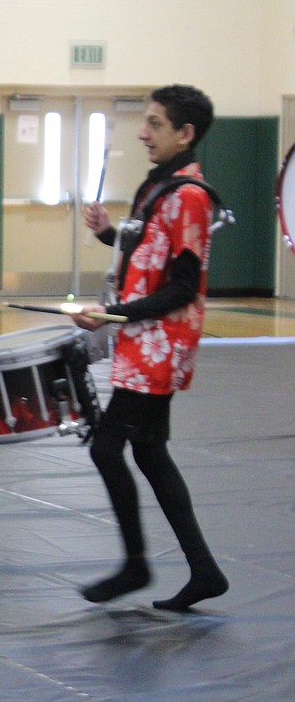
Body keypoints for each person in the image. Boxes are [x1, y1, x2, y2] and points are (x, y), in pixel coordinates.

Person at [70, 84, 229, 611]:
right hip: (145, 336)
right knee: (150, 451)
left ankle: (135, 566)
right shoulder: (161, 187)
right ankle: (203, 570)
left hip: (160, 342)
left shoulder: (188, 195)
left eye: (155, 124)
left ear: (185, 134)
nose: (143, 132)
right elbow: (148, 255)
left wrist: (117, 314)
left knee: (107, 446)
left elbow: (184, 284)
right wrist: (108, 234)